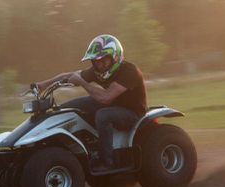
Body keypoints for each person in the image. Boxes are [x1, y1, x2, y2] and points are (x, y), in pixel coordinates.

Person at [35, 34, 147, 170]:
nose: (99, 65)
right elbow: (69, 76)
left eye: (103, 60)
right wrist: (42, 85)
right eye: (95, 61)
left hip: (132, 113)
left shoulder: (129, 71)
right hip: (113, 105)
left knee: (103, 115)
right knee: (68, 108)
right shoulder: (99, 71)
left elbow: (106, 98)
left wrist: (82, 83)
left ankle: (106, 162)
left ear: (115, 57)